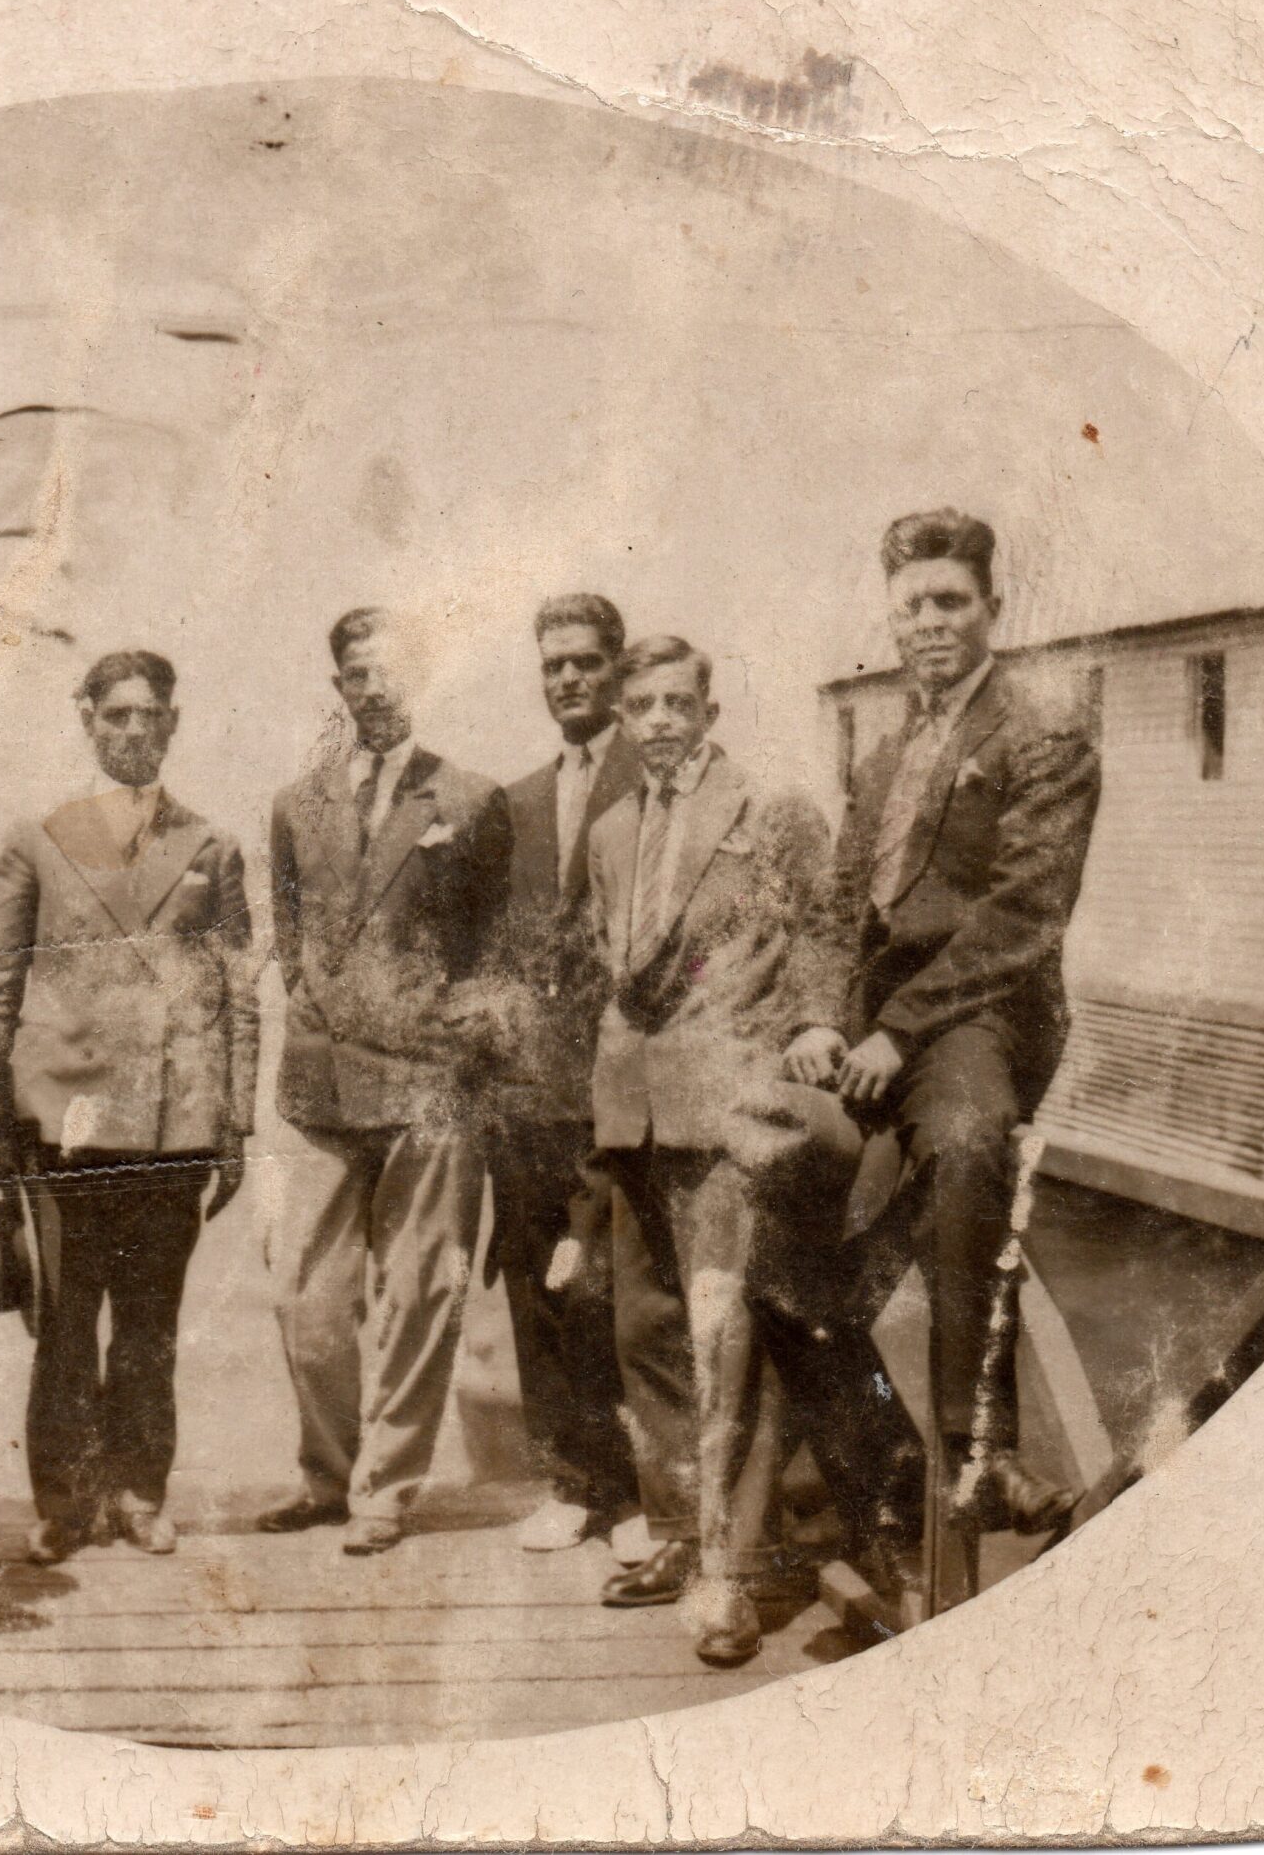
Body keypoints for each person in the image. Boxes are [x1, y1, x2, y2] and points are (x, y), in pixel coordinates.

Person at [585, 636, 921, 1667]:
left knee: (724, 1334)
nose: (656, 721)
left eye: (675, 702)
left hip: (734, 1108)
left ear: (709, 708)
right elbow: (617, 968)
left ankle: (726, 1576)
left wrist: (816, 1026)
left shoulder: (768, 812)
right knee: (647, 1330)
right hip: (635, 1111)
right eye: (638, 703)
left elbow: (827, 931)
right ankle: (697, 1535)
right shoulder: (608, 830)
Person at [818, 509, 1101, 1542]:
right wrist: (819, 1020)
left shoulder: (1042, 739)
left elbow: (1023, 914)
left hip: (976, 1015)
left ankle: (980, 1452)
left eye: (950, 601)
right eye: (911, 605)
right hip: (871, 1027)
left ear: (991, 608)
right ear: (889, 620)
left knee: (969, 1146)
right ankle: (877, 1451)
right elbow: (836, 905)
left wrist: (896, 1029)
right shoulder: (884, 757)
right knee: (753, 1173)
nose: (929, 621)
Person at [0, 650, 258, 1564]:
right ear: (87, 721)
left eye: (150, 716)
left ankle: (138, 1492)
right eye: (116, 715)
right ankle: (64, 1502)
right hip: (65, 1121)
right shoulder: (39, 838)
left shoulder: (211, 846)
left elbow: (237, 993)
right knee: (62, 1323)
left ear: (172, 724)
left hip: (172, 1125)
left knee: (148, 1323)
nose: (133, 731)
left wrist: (234, 1123)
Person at [263, 608, 512, 1555]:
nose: (375, 690)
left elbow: (492, 952)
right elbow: (292, 943)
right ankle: (328, 1474)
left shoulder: (474, 799)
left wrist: (452, 1046)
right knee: (305, 1298)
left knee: (418, 1290)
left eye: (392, 673)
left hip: (430, 1083)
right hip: (324, 1081)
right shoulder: (297, 804)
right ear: (339, 689)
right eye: (357, 676)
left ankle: (386, 1490)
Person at [467, 594, 645, 1554]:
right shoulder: (519, 801)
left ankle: (632, 1495)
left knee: (608, 1289)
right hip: (524, 1092)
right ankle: (570, 1484)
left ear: (616, 667)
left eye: (583, 661)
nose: (568, 679)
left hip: (615, 1084)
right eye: (552, 666)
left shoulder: (649, 775)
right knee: (534, 1285)